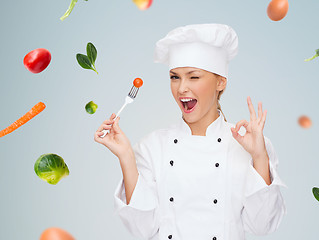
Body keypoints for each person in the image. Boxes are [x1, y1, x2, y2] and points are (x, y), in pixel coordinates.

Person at [94, 23, 287, 240]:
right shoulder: (152, 146)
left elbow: (262, 226)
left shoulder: (251, 145)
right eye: (175, 77)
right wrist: (126, 157)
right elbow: (143, 229)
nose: (181, 88)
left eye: (193, 77)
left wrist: (259, 157)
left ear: (220, 82)